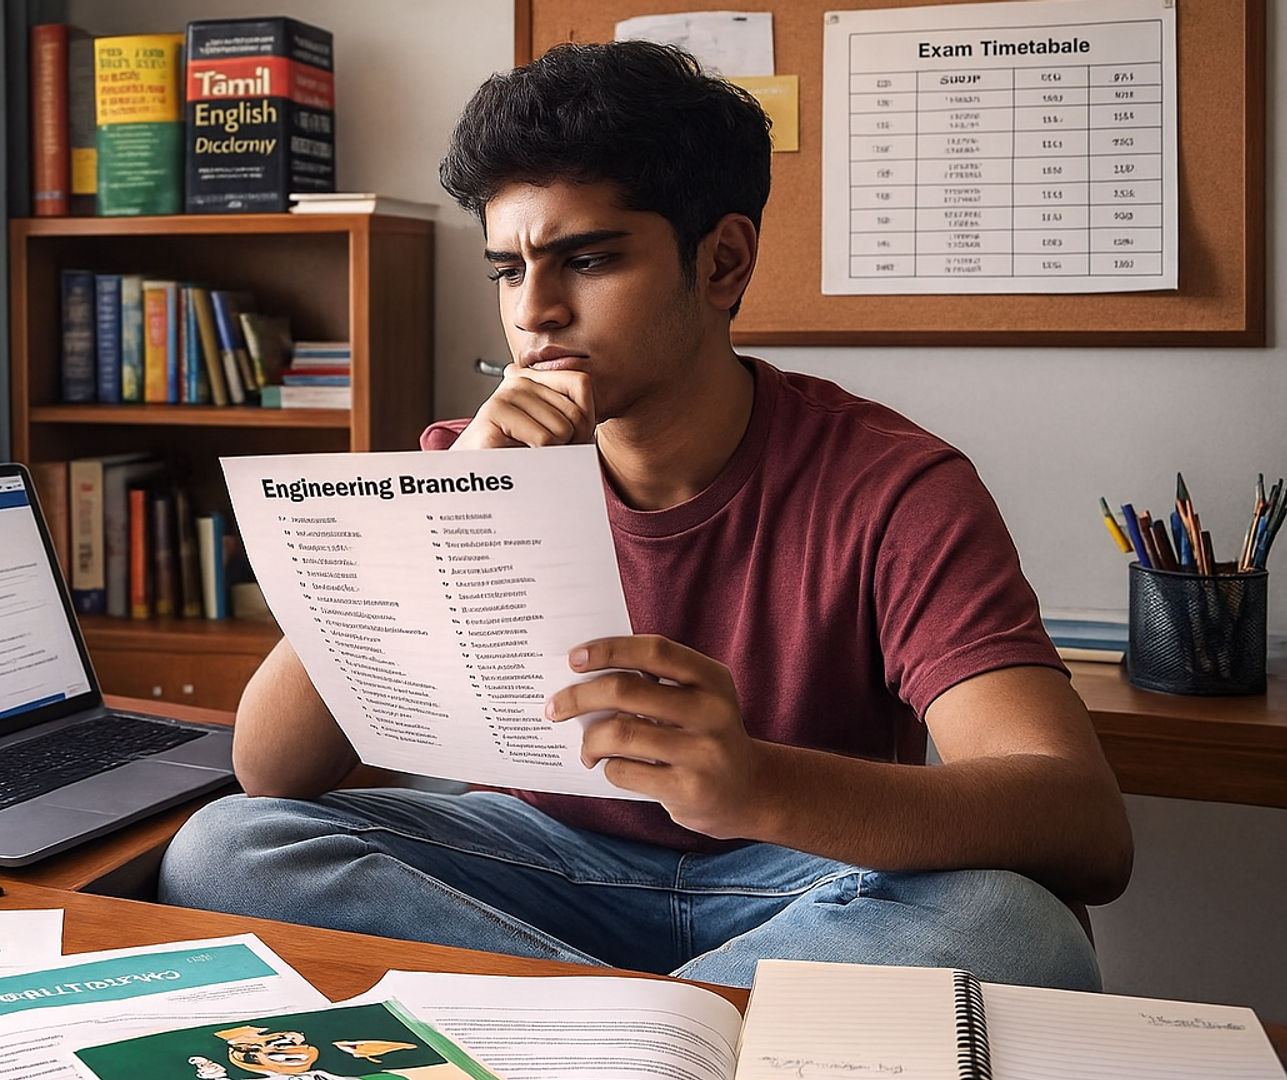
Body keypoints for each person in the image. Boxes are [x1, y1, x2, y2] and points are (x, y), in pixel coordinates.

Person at [157, 40, 1132, 990]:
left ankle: (598, 1033)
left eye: (584, 259)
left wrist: (756, 782)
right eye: (507, 270)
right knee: (226, 849)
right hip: (541, 869)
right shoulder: (467, 461)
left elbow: (1083, 825)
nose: (532, 311)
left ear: (722, 262)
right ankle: (667, 1031)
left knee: (1017, 927)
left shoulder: (894, 485)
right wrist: (450, 499)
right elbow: (271, 769)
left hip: (798, 877)